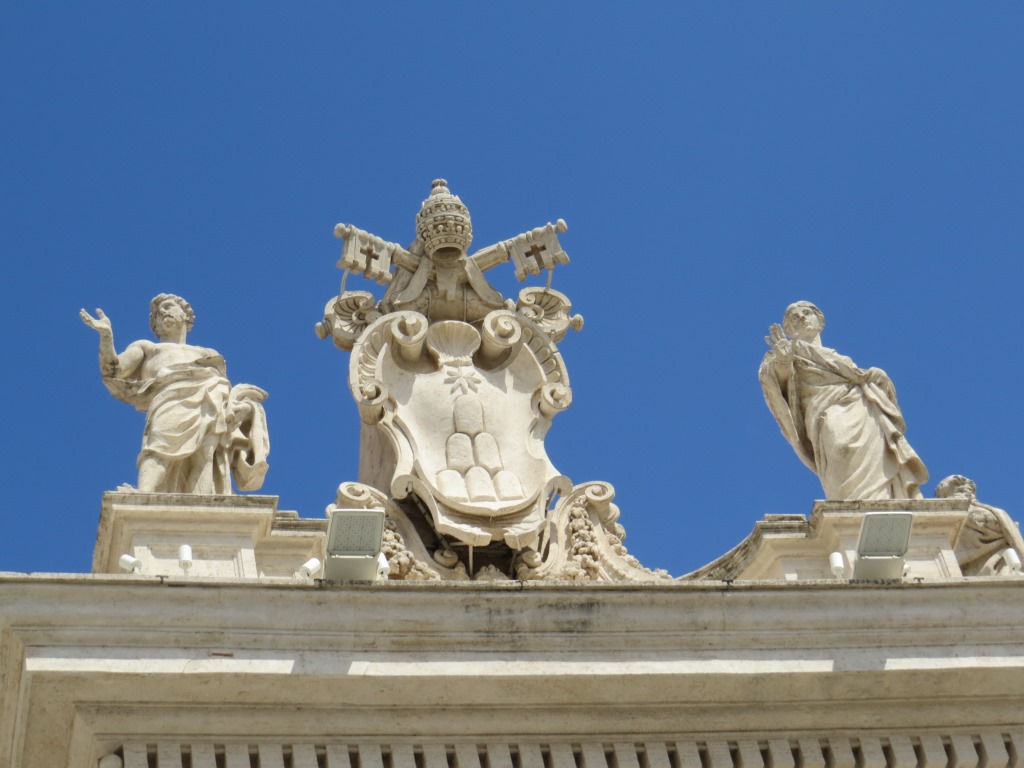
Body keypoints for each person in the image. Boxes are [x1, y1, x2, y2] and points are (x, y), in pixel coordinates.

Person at [81, 294, 269, 494]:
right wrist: (107, 338)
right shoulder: (148, 348)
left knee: (205, 455)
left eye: (168, 306)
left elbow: (226, 390)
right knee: (158, 446)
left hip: (209, 397)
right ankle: (144, 492)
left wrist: (240, 407)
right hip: (169, 398)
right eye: (156, 314)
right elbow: (114, 371)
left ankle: (202, 500)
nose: (162, 312)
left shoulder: (207, 353)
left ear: (186, 315)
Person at [759, 301, 927, 500]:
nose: (802, 317)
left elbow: (860, 377)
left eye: (807, 312)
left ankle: (880, 500)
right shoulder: (785, 352)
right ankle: (847, 502)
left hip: (861, 406)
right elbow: (776, 382)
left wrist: (875, 376)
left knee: (877, 458)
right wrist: (783, 361)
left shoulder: (837, 357)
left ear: (820, 321)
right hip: (824, 411)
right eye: (794, 317)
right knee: (839, 446)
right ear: (788, 329)